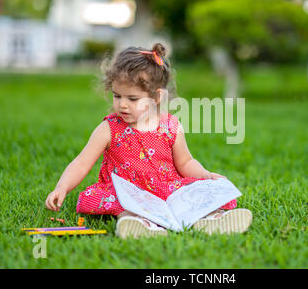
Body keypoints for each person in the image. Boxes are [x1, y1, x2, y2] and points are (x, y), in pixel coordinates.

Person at [45, 43, 252, 238]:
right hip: (128, 192)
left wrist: (205, 175)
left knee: (196, 194)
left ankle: (212, 219)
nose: (122, 105)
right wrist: (62, 187)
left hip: (166, 188)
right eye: (117, 96)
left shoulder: (171, 126)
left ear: (156, 97)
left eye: (132, 98)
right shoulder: (109, 128)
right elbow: (82, 163)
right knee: (125, 206)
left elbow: (186, 163)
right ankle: (138, 225)